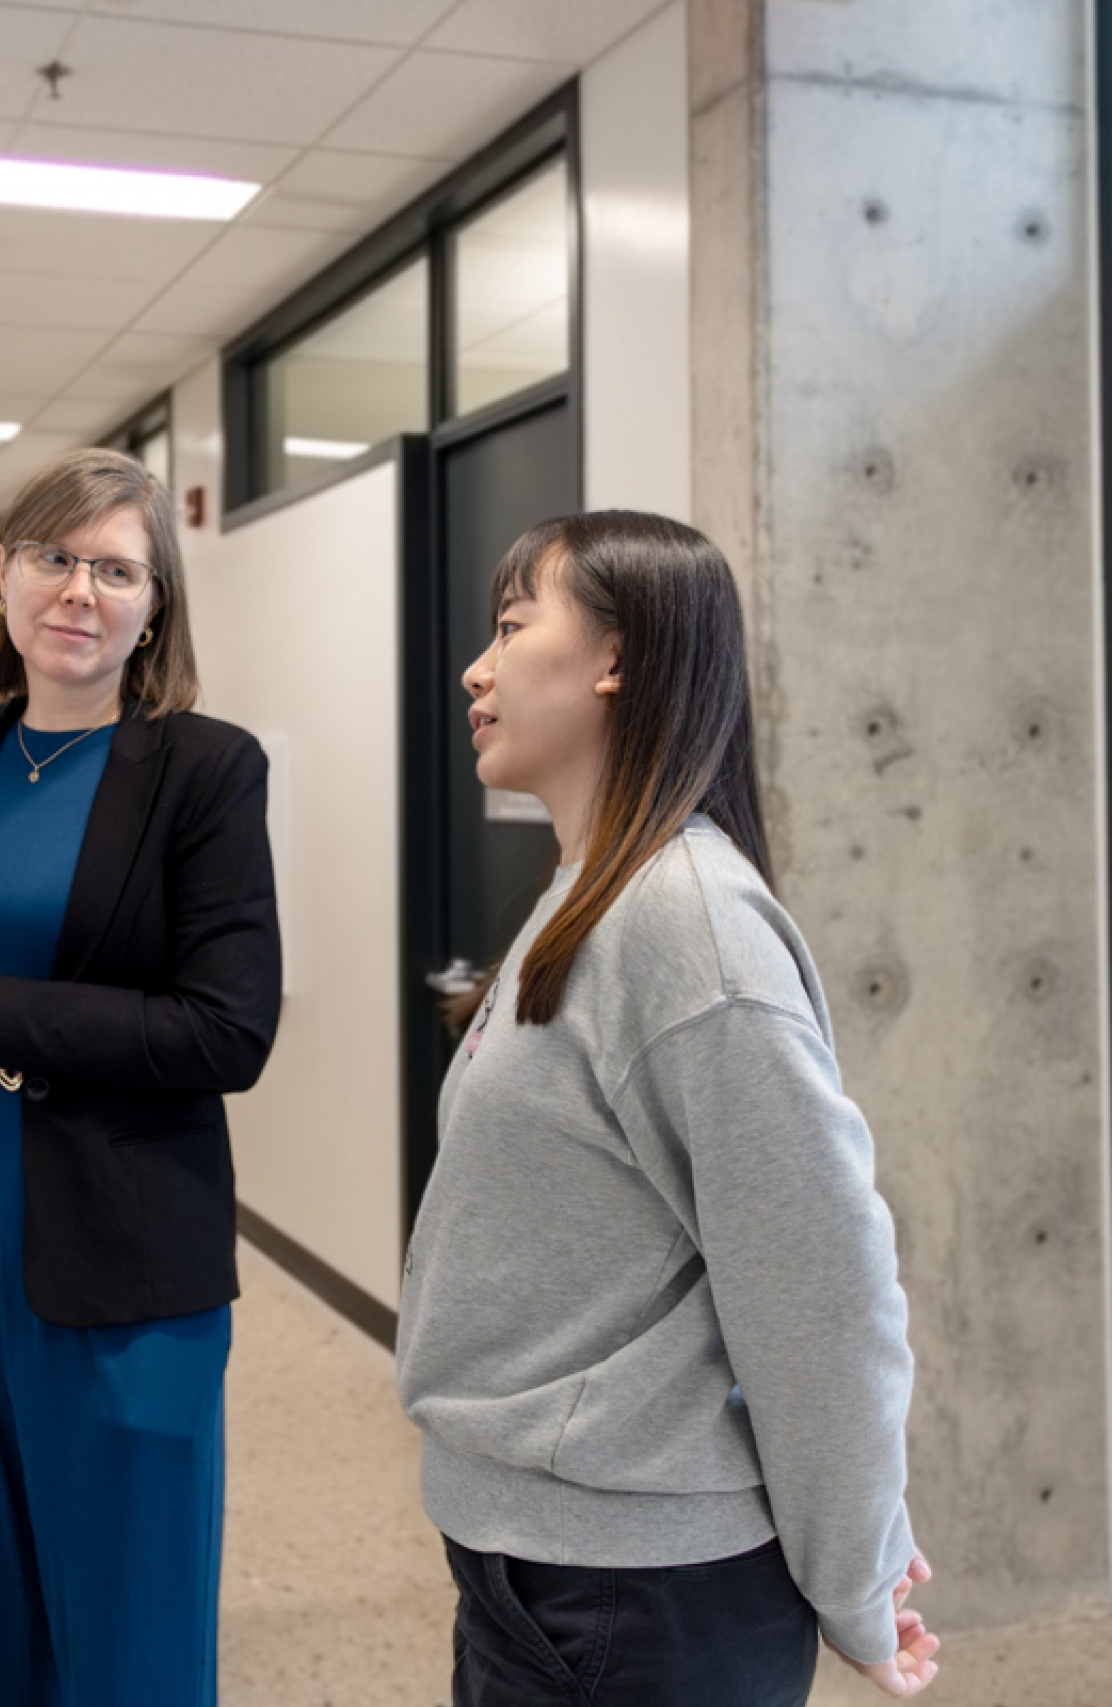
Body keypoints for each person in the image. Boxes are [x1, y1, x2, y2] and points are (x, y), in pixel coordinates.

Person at [392, 511, 940, 1705]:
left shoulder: (685, 930)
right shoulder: (589, 894)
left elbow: (821, 1291)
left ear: (616, 658)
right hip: (544, 1564)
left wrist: (858, 1570)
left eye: (509, 625)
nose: (476, 669)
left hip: (636, 1591)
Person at [0, 448, 280, 1704]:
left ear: (154, 605)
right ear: (4, 578)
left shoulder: (205, 770)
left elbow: (224, 1032)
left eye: (117, 569)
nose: (81, 592)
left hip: (119, 1238)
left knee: (127, 1623)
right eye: (56, 559)